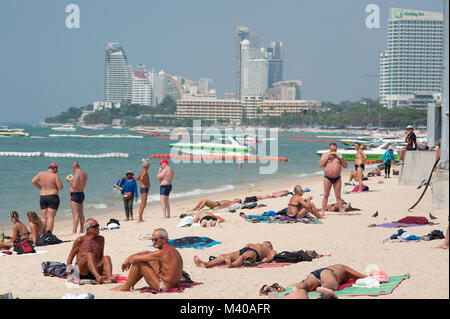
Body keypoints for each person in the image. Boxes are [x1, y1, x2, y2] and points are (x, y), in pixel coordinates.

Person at [111, 228, 183, 291]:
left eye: (155, 239)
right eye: (152, 240)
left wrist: (128, 260)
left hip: (163, 286)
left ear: (164, 240)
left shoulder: (162, 253)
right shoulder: (171, 250)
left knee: (139, 263)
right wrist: (128, 258)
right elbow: (146, 253)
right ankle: (130, 284)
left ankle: (126, 287)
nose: (153, 242)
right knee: (145, 258)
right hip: (173, 284)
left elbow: (133, 260)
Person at [66, 218, 114, 283]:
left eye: (98, 225)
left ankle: (110, 278)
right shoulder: (80, 240)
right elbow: (70, 258)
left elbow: (101, 256)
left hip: (96, 269)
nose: (98, 228)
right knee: (90, 255)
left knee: (106, 257)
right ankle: (98, 277)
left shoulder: (101, 239)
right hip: (83, 271)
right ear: (88, 229)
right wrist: (69, 275)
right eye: (95, 226)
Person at [282, 264, 367, 299]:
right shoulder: (343, 268)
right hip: (328, 272)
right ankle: (324, 288)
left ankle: (298, 289)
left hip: (314, 274)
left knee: (306, 284)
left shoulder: (338, 267)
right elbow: (363, 276)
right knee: (329, 284)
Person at [31, 163, 63, 232]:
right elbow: (60, 187)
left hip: (43, 196)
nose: (57, 171)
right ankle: (49, 234)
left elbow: (33, 181)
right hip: (52, 196)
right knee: (50, 217)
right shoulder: (54, 175)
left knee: (44, 217)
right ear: (54, 168)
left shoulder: (41, 173)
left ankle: (43, 233)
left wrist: (41, 188)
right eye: (56, 170)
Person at [194, 241, 277, 268]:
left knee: (242, 257)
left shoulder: (271, 250)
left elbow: (273, 257)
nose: (266, 242)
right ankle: (205, 264)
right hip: (244, 249)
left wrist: (267, 259)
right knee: (223, 256)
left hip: (255, 253)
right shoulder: (258, 244)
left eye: (268, 242)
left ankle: (232, 265)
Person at [319, 143, 348, 216]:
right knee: (326, 195)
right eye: (332, 149)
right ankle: (322, 211)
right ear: (329, 149)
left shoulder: (339, 156)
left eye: (335, 149)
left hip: (337, 178)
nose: (334, 151)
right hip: (327, 178)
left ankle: (341, 211)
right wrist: (327, 158)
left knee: (338, 196)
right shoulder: (325, 155)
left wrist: (341, 158)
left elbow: (345, 166)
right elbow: (320, 165)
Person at [67, 161, 88, 234]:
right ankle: (82, 229)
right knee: (81, 213)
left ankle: (74, 231)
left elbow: (74, 186)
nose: (72, 169)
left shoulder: (77, 174)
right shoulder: (84, 173)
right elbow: (82, 184)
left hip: (75, 194)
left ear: (74, 167)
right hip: (81, 193)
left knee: (75, 214)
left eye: (72, 168)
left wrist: (69, 180)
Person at [136, 159, 150, 223]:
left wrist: (141, 182)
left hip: (144, 188)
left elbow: (137, 179)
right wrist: (143, 182)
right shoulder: (144, 172)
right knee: (143, 204)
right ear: (147, 166)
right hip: (144, 189)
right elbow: (141, 178)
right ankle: (139, 219)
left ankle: (140, 218)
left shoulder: (143, 171)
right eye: (149, 165)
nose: (149, 166)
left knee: (144, 204)